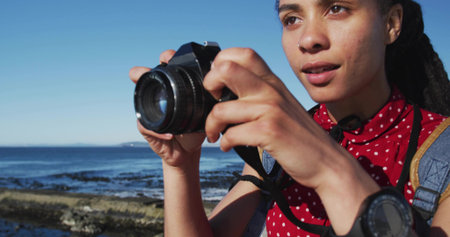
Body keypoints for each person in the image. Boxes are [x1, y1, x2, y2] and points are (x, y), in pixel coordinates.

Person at [129, 0, 450, 236]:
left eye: (337, 8)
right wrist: (180, 166)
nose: (308, 39)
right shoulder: (273, 146)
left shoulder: (440, 151)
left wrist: (329, 169)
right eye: (292, 18)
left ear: (392, 23)